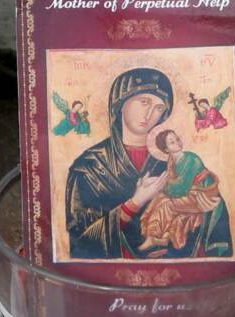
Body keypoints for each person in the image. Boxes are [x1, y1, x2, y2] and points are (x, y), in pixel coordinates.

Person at [64, 67, 203, 259]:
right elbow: (80, 241)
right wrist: (135, 203)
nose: (150, 113)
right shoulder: (89, 166)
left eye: (159, 108)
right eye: (144, 102)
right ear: (120, 104)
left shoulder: (177, 161)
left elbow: (210, 219)